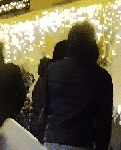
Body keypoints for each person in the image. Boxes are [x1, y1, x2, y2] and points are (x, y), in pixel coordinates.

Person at [41, 22, 113, 150]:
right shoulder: (101, 76)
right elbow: (104, 121)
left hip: (52, 141)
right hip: (82, 141)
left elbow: (44, 108)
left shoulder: (52, 70)